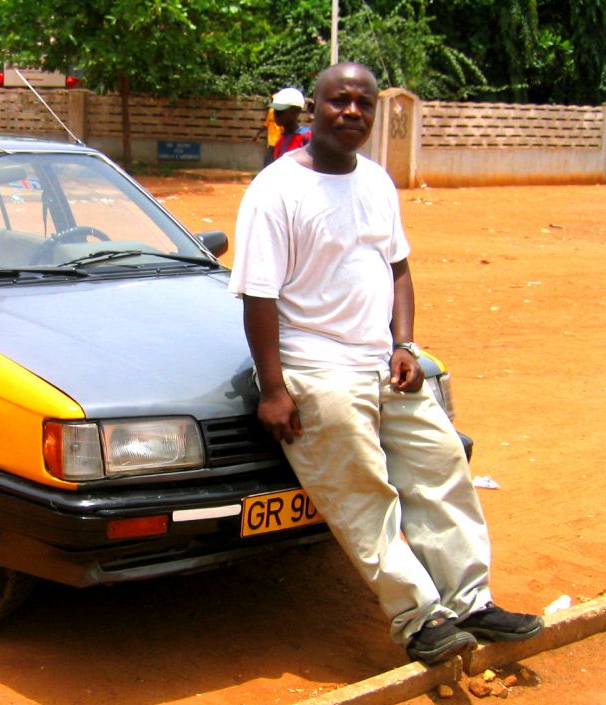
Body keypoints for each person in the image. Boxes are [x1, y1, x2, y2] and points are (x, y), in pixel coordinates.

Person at [228, 61, 543, 665]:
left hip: (382, 360)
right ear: (313, 109)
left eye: (364, 103)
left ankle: (471, 601)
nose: (352, 111)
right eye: (339, 100)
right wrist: (273, 388)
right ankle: (419, 618)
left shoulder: (376, 181)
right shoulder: (275, 190)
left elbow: (398, 268)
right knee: (362, 490)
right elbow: (258, 297)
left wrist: (406, 345)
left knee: (442, 466)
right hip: (316, 367)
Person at [253, 87, 311, 167]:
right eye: (275, 110)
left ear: (295, 111)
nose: (275, 114)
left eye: (280, 111)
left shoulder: (306, 137)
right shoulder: (281, 139)